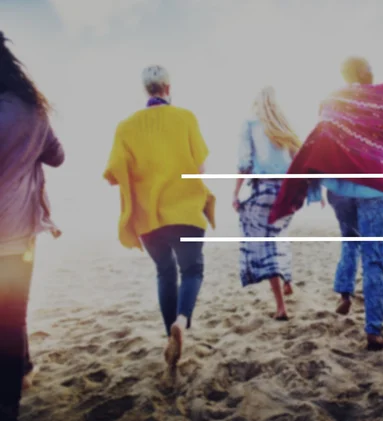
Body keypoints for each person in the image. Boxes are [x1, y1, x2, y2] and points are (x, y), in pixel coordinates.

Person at [269, 57, 383, 350]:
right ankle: (373, 329)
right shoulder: (380, 97)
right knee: (374, 257)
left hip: (341, 191)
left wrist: (314, 182)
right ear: (366, 73)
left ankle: (344, 293)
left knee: (349, 241)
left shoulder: (332, 100)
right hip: (374, 188)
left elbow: (321, 137)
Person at [103, 65, 215, 373]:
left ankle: (170, 335)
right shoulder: (185, 117)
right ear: (168, 88)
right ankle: (182, 321)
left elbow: (113, 176)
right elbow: (201, 167)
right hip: (185, 211)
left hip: (148, 218)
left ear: (145, 90)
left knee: (165, 273)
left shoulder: (126, 126)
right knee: (192, 270)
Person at [0, 32, 65, 420]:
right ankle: (11, 398)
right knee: (11, 316)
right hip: (16, 234)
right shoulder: (32, 110)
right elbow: (57, 156)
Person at [233, 86, 313, 320]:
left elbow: (245, 163)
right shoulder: (284, 125)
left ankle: (280, 307)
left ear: (257, 103)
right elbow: (300, 160)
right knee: (279, 234)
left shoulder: (250, 124)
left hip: (266, 189)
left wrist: (235, 193)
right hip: (290, 192)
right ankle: (287, 279)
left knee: (265, 242)